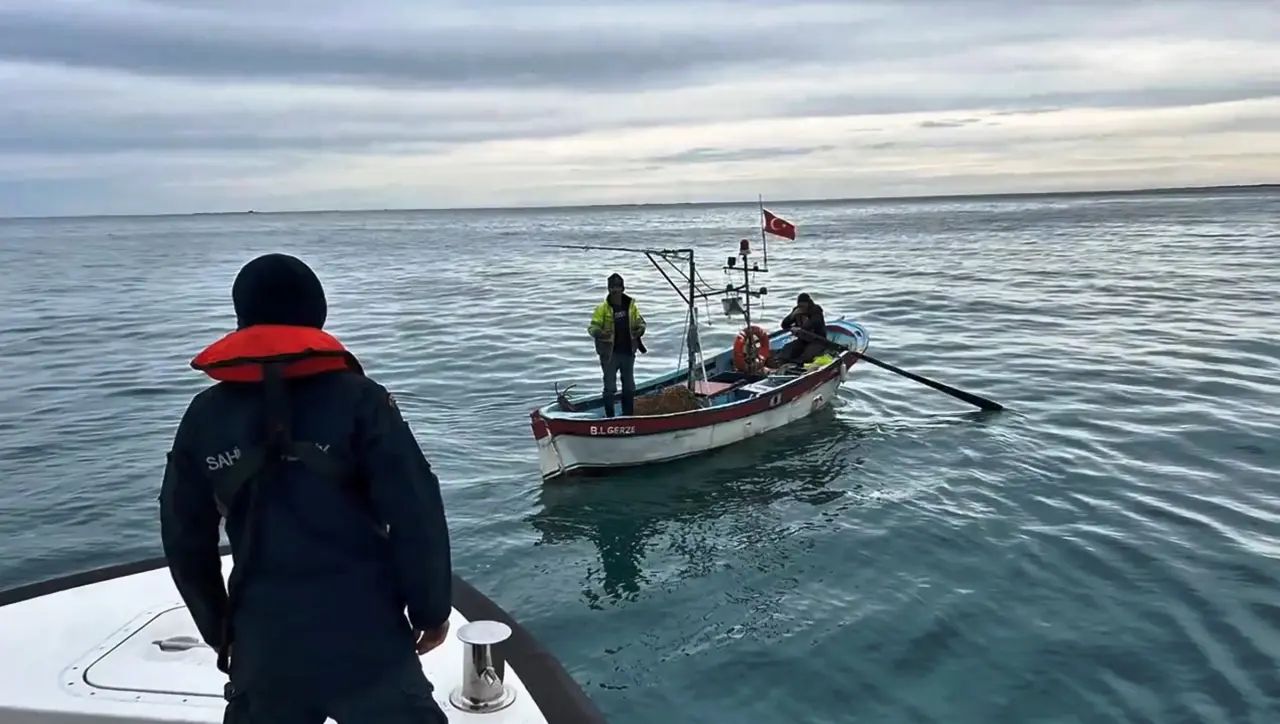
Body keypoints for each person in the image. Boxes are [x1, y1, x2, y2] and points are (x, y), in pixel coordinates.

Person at [159, 253, 453, 724]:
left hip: (263, 642)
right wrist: (430, 609)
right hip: (368, 637)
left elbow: (183, 536)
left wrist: (219, 629)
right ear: (317, 315)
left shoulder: (205, 414)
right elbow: (415, 511)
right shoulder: (362, 401)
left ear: (242, 317)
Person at [587, 272, 646, 417]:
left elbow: (640, 322)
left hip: (628, 351)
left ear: (622, 289)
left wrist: (640, 329)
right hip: (609, 354)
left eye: (617, 288)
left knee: (629, 386)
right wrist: (600, 333)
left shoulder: (631, 306)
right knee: (609, 387)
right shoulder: (602, 308)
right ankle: (610, 417)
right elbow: (592, 328)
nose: (614, 291)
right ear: (608, 289)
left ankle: (628, 415)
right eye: (612, 288)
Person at [767, 292, 828, 368]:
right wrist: (792, 316)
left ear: (808, 303)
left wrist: (801, 329)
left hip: (818, 340)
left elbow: (815, 322)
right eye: (800, 306)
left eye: (803, 306)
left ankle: (800, 367)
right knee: (787, 350)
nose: (802, 308)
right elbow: (784, 325)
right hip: (803, 340)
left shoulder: (816, 310)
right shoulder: (797, 311)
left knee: (807, 356)